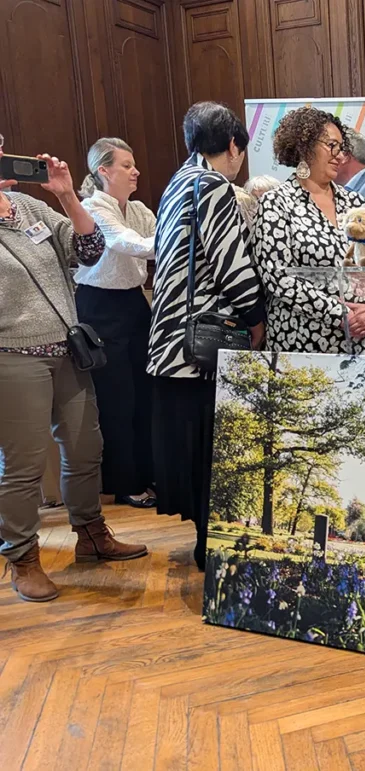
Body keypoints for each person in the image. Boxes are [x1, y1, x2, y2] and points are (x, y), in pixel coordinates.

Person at [0, 139, 147, 602]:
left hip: (67, 348)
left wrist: (65, 195)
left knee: (86, 448)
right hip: (13, 355)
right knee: (22, 465)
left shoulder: (26, 205)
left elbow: (89, 249)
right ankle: (22, 557)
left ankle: (90, 535)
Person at [148, 102, 266, 571]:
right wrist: (257, 321)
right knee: (212, 449)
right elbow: (232, 266)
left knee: (196, 448)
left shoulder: (176, 183)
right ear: (234, 146)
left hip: (170, 343)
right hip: (201, 348)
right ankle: (211, 548)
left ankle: (205, 541)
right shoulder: (214, 186)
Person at [252, 107, 365, 355]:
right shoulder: (276, 203)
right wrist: (339, 314)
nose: (339, 156)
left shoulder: (357, 202)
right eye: (332, 145)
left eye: (341, 147)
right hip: (307, 347)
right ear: (304, 145)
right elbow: (277, 278)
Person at [77, 137, 158, 509]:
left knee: (145, 393)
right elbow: (130, 243)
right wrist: (176, 243)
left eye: (135, 163)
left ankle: (148, 473)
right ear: (103, 171)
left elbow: (157, 238)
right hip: (99, 307)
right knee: (117, 399)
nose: (135, 170)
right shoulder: (92, 207)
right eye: (126, 165)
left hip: (134, 302)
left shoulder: (139, 208)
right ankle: (124, 482)